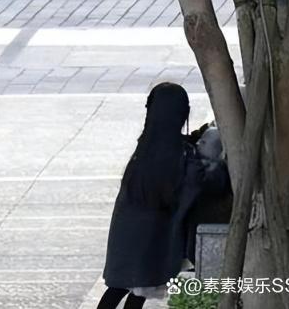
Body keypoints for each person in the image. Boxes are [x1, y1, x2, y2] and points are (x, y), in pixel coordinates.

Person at [98, 83, 230, 309]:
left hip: (128, 236)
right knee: (137, 290)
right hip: (152, 240)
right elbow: (211, 182)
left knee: (123, 289)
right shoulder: (181, 157)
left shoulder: (148, 146)